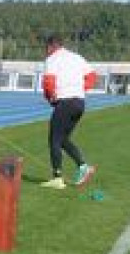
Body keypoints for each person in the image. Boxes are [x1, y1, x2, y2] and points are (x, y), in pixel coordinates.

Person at [41, 34, 97, 189]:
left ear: (51, 46)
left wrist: (50, 97)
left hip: (65, 102)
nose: (46, 51)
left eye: (46, 48)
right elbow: (92, 76)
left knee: (54, 140)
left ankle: (57, 178)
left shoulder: (52, 59)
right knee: (63, 139)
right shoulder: (76, 57)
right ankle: (83, 166)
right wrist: (79, 89)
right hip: (79, 102)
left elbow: (48, 82)